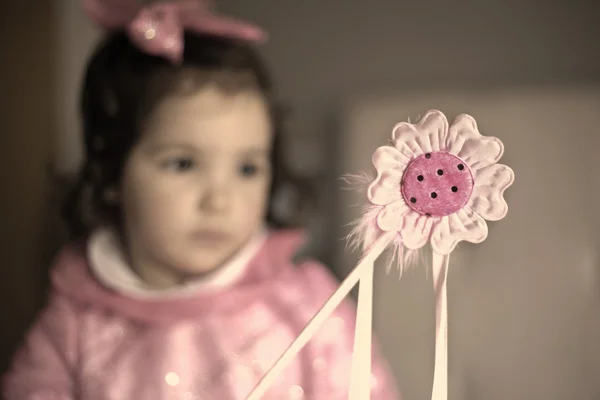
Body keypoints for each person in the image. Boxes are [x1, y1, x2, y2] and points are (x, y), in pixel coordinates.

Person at [2, 1, 401, 398]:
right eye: (183, 164)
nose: (219, 201)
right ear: (112, 173)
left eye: (247, 169)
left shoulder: (309, 307)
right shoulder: (74, 324)